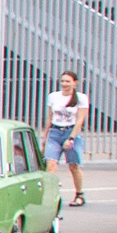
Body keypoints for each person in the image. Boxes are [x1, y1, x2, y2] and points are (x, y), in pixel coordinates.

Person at [44, 70, 88, 207]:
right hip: (55, 132)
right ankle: (48, 197)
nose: (64, 84)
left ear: (75, 83)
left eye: (68, 81)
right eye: (62, 81)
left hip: (70, 131)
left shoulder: (81, 98)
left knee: (74, 165)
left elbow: (80, 120)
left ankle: (79, 194)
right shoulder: (53, 97)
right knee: (50, 164)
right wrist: (45, 137)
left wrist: (71, 138)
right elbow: (50, 117)